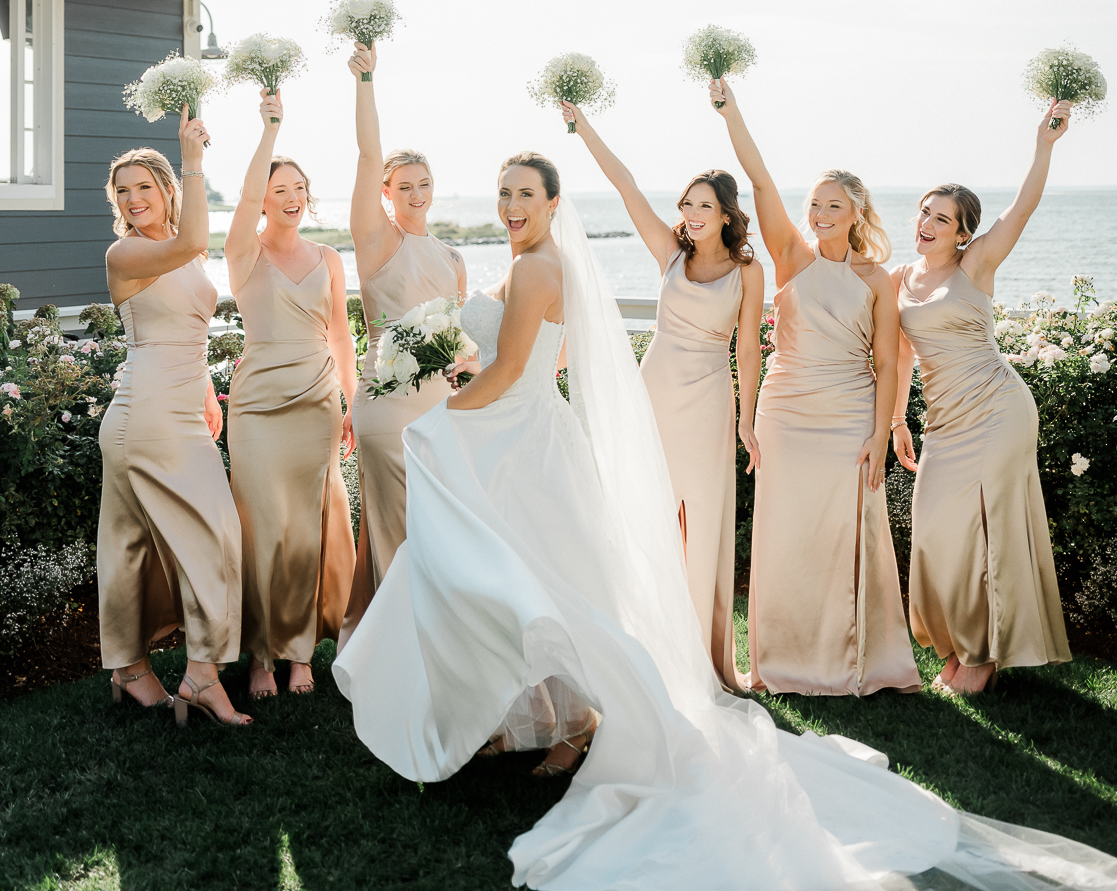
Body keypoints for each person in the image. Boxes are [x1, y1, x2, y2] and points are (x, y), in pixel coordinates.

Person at [333, 148, 1111, 891]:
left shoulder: (573, 266)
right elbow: (528, 357)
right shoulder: (531, 265)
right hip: (538, 431)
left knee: (534, 578)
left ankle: (573, 717)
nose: (508, 207)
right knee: (535, 576)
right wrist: (446, 362)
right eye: (501, 194)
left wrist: (433, 415)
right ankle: (540, 716)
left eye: (522, 195)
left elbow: (515, 368)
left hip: (545, 429)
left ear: (552, 205)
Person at [711, 78, 919, 696]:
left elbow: (888, 363)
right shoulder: (790, 258)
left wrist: (880, 433)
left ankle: (852, 656)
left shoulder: (879, 279)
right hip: (787, 411)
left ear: (857, 213)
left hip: (850, 415)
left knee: (845, 534)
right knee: (784, 534)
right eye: (816, 206)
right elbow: (760, 181)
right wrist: (731, 111)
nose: (821, 215)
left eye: (834, 206)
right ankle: (779, 660)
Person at [559, 100, 762, 691]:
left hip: (706, 399)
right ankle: (644, 639)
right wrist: (582, 126)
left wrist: (747, 421)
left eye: (705, 206)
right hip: (654, 391)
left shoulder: (749, 271)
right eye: (688, 204)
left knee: (699, 522)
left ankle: (697, 653)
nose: (692, 214)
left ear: (726, 215)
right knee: (647, 510)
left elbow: (748, 351)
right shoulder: (670, 254)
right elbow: (624, 184)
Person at [892, 100, 1074, 695]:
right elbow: (898, 355)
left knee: (984, 530)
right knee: (934, 528)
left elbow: (1024, 206)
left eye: (940, 219)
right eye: (924, 213)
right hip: (944, 423)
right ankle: (954, 643)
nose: (926, 224)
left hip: (997, 411)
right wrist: (898, 420)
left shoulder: (977, 264)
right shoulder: (900, 278)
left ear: (962, 232)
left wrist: (1043, 146)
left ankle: (982, 654)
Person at [99, 112, 250, 725]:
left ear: (165, 193)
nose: (134, 199)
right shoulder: (128, 252)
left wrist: (209, 394)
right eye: (122, 191)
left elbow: (188, 324)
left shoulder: (180, 254)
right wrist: (193, 159)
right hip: (148, 414)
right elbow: (189, 244)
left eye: (144, 186)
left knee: (132, 545)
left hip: (180, 405)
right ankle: (201, 676)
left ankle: (134, 671)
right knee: (216, 535)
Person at [226, 89, 356, 699]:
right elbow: (248, 195)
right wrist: (269, 131)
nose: (291, 198)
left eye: (299, 187)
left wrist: (350, 400)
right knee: (262, 526)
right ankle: (258, 654)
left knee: (306, 525)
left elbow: (341, 333)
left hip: (317, 399)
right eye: (279, 190)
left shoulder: (329, 256)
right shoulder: (242, 253)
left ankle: (299, 653)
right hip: (256, 404)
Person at [338, 41, 465, 644]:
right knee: (396, 529)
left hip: (441, 406)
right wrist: (366, 82)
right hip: (388, 403)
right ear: (386, 193)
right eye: (403, 185)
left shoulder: (453, 258)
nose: (416, 194)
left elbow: (459, 344)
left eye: (425, 184)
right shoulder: (376, 242)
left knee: (436, 530)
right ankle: (400, 652)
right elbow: (367, 154)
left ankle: (387, 632)